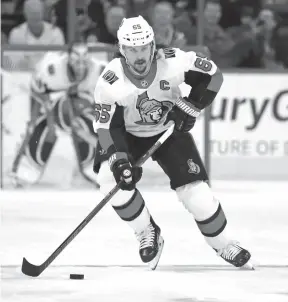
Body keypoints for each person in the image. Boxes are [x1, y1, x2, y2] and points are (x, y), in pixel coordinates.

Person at [93, 16, 253, 270]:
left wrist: (192, 105)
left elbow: (213, 75)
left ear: (153, 45)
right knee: (108, 179)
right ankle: (147, 232)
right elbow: (106, 127)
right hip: (128, 136)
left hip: (168, 132)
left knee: (199, 197)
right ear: (122, 50)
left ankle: (223, 244)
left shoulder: (174, 61)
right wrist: (120, 159)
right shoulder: (110, 80)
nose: (139, 55)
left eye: (144, 47)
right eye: (132, 49)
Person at [10, 44, 105, 187]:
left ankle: (97, 167)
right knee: (43, 129)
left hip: (83, 106)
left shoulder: (101, 71)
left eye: (83, 62)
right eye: (75, 62)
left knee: (92, 124)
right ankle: (29, 164)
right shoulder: (52, 70)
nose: (80, 67)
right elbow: (37, 92)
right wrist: (44, 121)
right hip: (52, 103)